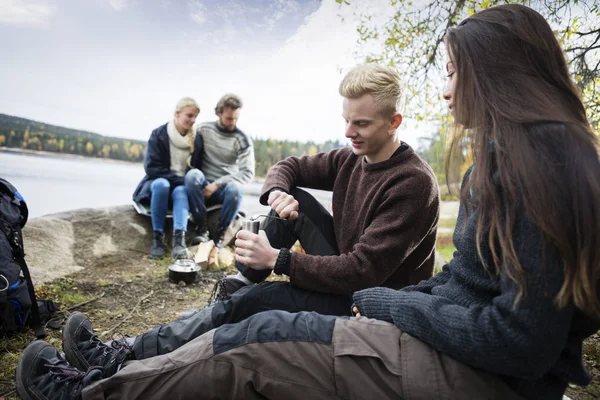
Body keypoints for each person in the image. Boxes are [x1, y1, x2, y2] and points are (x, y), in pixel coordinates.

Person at [17, 5, 600, 399]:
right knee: (251, 302)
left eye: (453, 73)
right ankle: (116, 359)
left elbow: (519, 339)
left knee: (255, 335)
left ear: (496, 74)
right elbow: (464, 286)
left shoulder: (529, 166)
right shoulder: (510, 155)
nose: (446, 88)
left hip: (472, 368)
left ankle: (90, 390)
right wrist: (276, 195)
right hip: (427, 327)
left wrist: (374, 300)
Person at [132, 97, 203, 260]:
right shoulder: (159, 134)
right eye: (189, 115)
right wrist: (179, 180)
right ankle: (157, 237)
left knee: (181, 191)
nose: (193, 120)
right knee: (162, 185)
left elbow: (198, 168)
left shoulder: (196, 139)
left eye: (195, 117)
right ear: (177, 114)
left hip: (180, 187)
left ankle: (179, 240)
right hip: (158, 183)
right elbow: (151, 167)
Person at [188, 93, 255, 248]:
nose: (233, 123)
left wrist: (217, 185)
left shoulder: (242, 139)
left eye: (236, 119)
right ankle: (201, 229)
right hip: (202, 186)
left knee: (236, 188)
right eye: (229, 118)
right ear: (218, 112)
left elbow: (247, 173)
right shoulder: (203, 129)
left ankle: (220, 234)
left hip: (224, 189)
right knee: (192, 175)